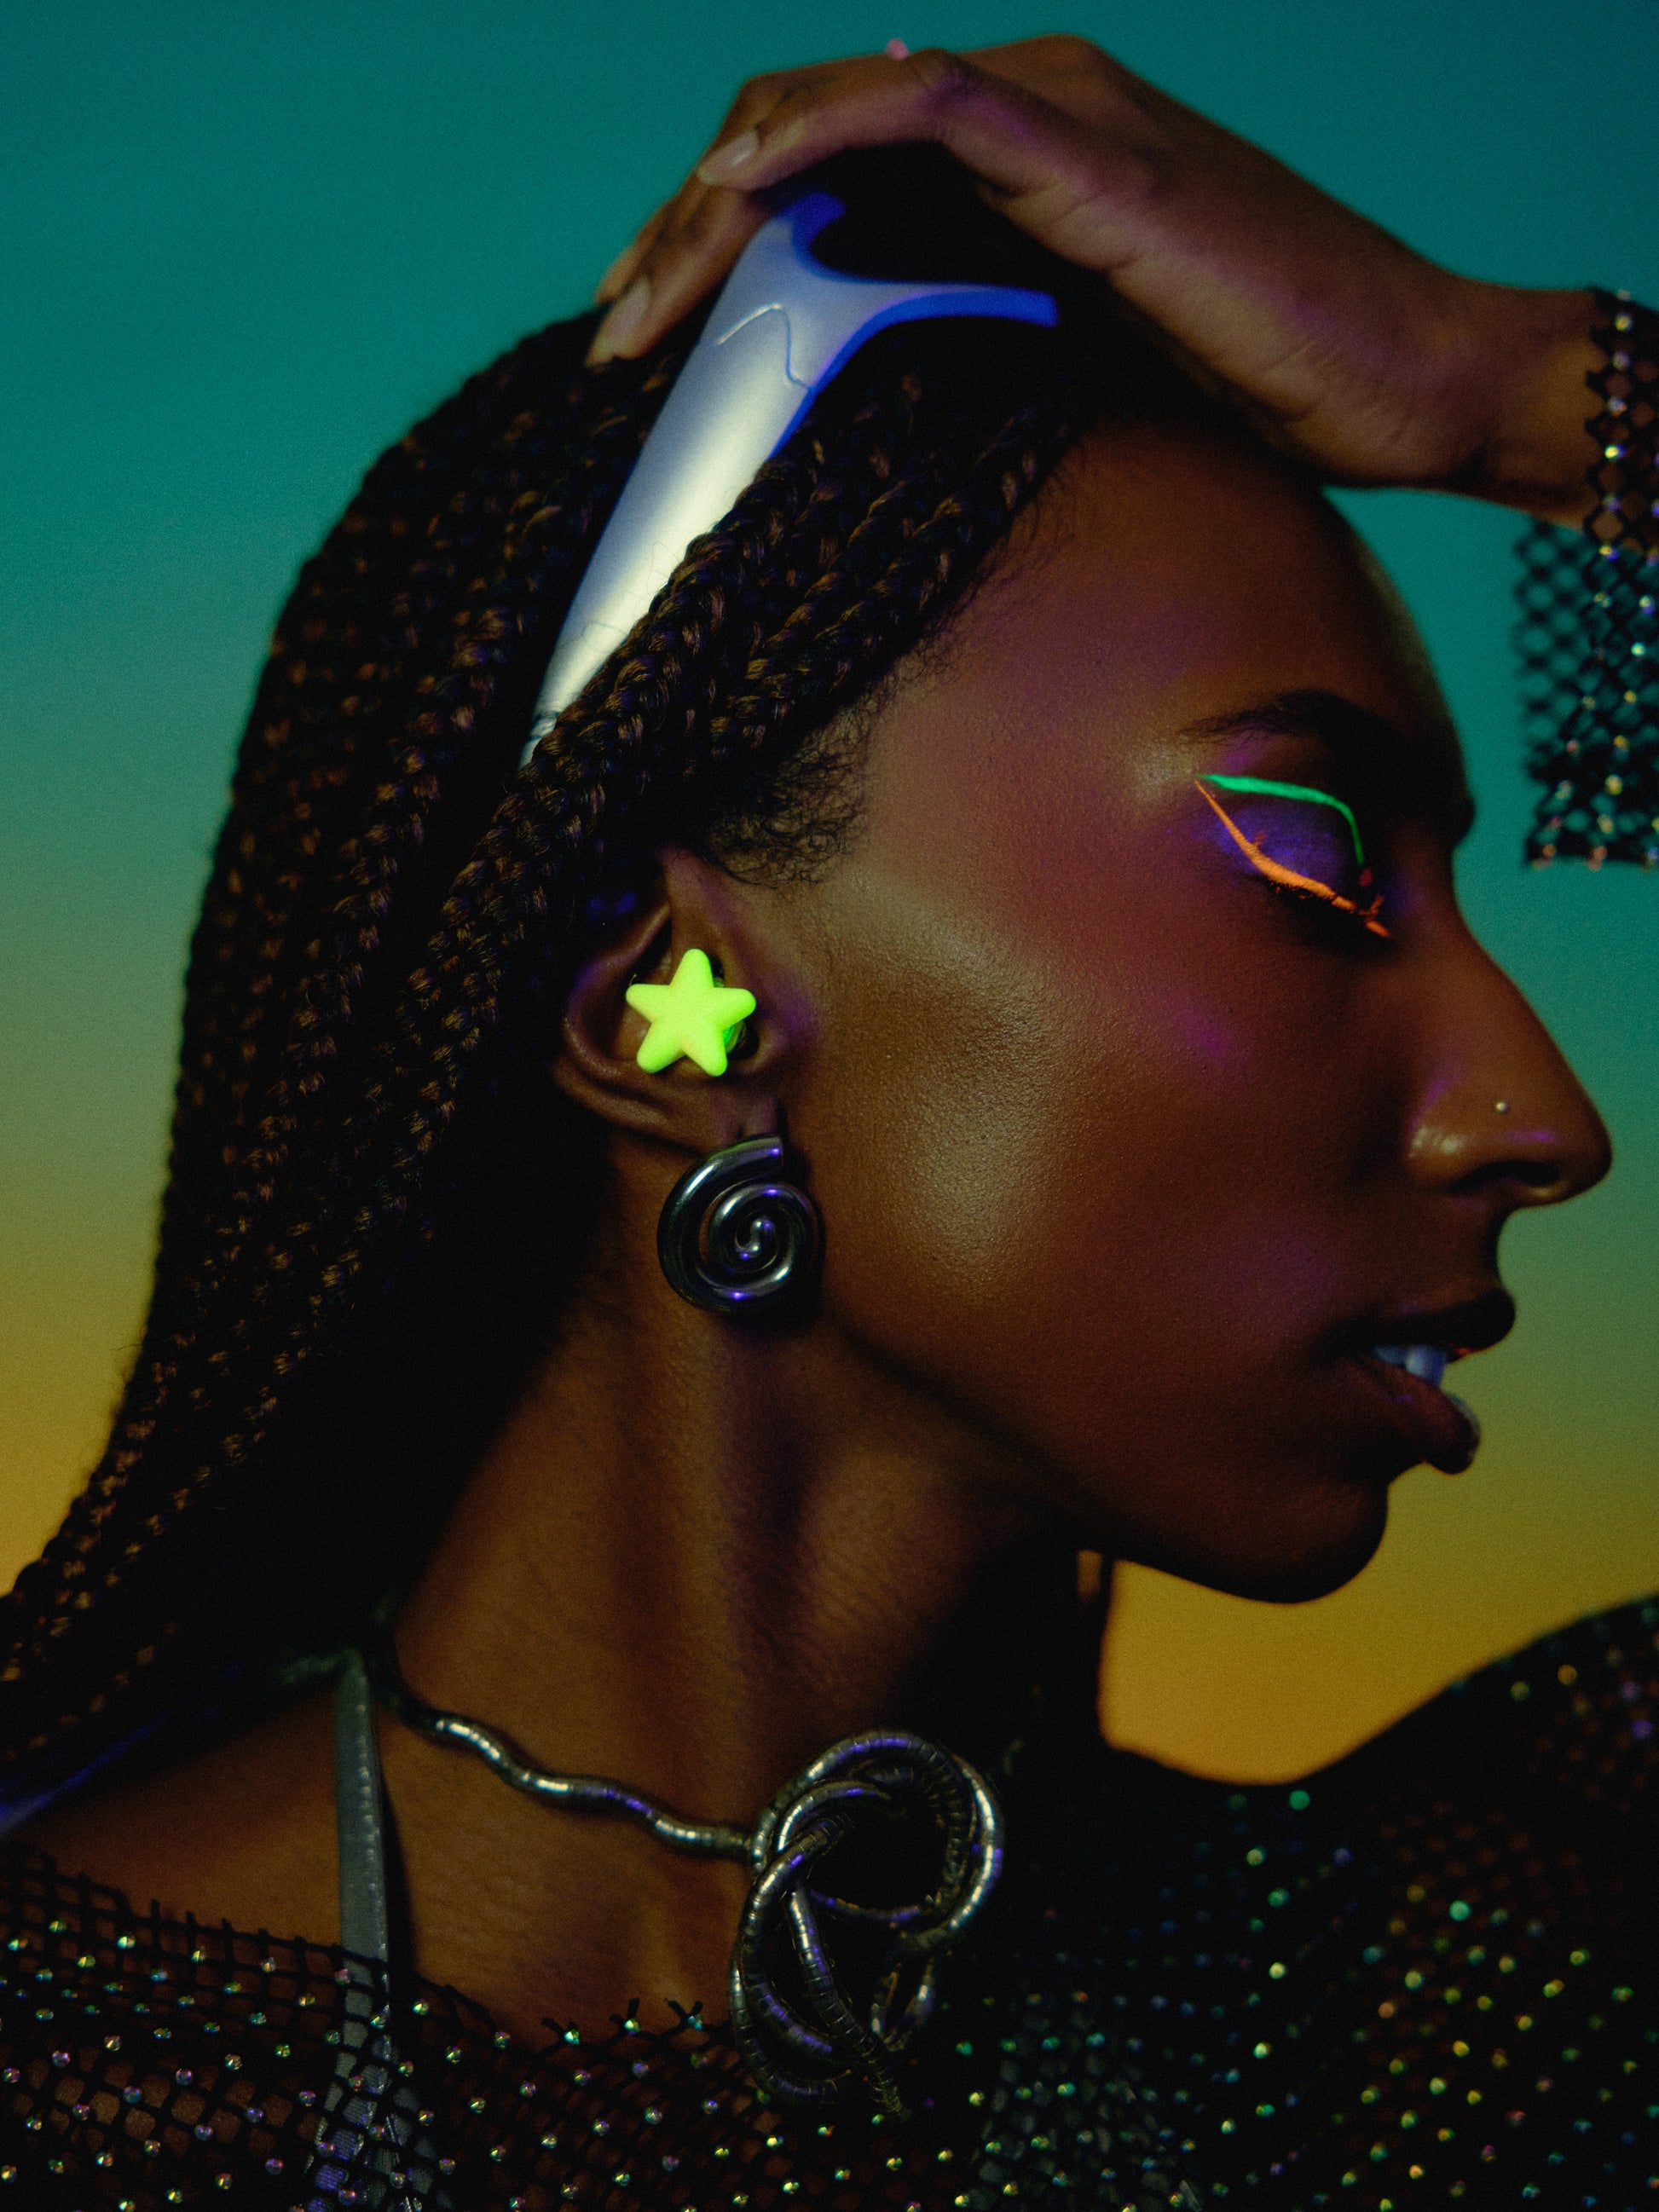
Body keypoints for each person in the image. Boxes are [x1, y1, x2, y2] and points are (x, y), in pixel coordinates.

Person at [0, 36, 1651, 2211]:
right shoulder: (77, 2096)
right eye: (1313, 858)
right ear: (668, 1014)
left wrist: (1517, 392)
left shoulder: (1457, 1998)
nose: (1539, 1116)